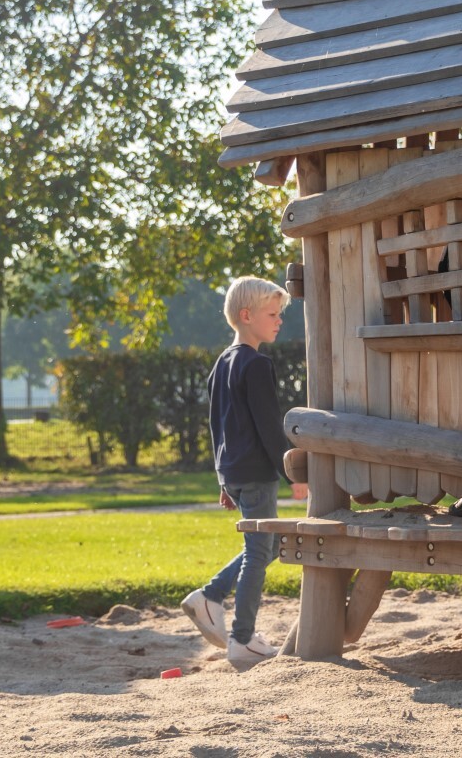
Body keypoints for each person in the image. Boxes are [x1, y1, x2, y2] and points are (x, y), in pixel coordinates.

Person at [180, 276, 294, 670]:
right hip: (257, 472)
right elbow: (268, 426)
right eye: (273, 314)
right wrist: (295, 472)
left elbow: (217, 426)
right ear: (247, 316)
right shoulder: (258, 364)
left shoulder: (221, 364)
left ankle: (208, 597)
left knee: (267, 546)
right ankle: (242, 638)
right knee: (261, 551)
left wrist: (222, 478)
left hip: (234, 471)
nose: (279, 321)